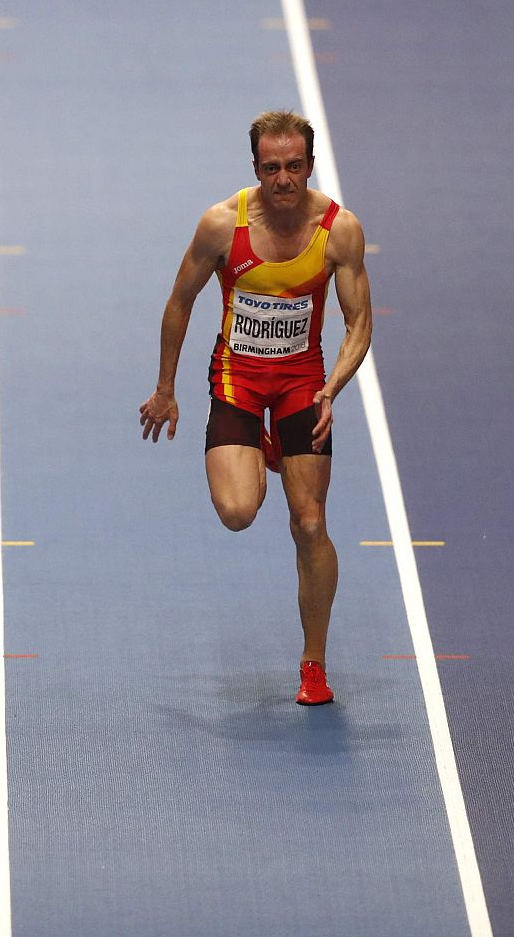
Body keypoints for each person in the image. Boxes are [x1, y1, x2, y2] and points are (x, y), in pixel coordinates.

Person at [139, 111, 372, 706]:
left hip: (302, 385)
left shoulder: (338, 231)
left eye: (295, 167)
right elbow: (179, 301)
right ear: (255, 169)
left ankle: (313, 666)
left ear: (310, 166)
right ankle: (261, 446)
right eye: (272, 168)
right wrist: (166, 389)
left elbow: (359, 324)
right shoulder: (222, 225)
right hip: (238, 381)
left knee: (310, 522)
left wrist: (332, 389)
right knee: (239, 511)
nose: (284, 179)